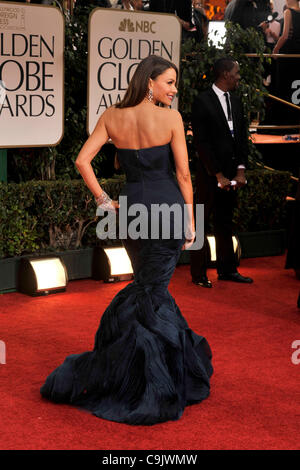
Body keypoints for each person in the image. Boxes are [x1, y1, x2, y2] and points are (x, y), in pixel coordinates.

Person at [40, 55, 213, 425]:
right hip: (166, 210)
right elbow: (183, 175)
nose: (174, 89)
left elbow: (82, 160)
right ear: (149, 82)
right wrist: (191, 221)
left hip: (132, 212)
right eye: (169, 82)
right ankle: (150, 382)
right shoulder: (170, 119)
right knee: (152, 291)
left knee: (147, 289)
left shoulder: (112, 115)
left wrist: (104, 200)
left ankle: (135, 370)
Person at [190, 57, 253, 288]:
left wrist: (240, 171)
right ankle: (198, 274)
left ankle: (227, 270)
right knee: (201, 223)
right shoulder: (202, 101)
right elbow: (202, 143)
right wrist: (217, 174)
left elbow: (241, 139)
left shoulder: (236, 101)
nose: (238, 77)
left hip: (232, 173)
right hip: (208, 175)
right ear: (225, 74)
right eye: (236, 73)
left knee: (226, 222)